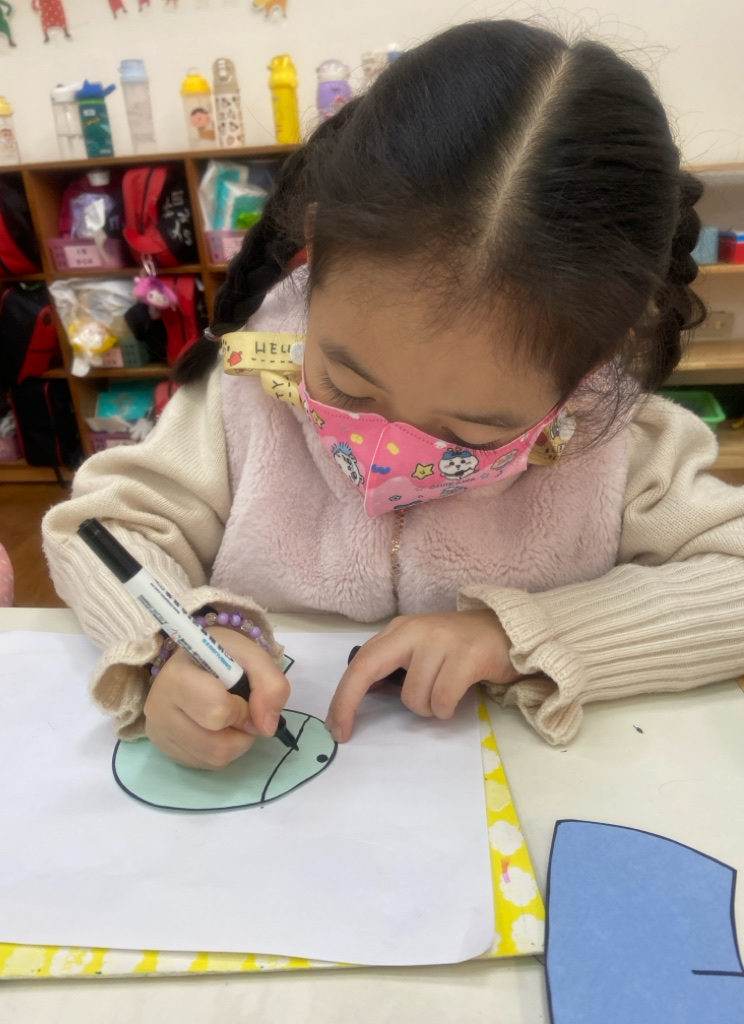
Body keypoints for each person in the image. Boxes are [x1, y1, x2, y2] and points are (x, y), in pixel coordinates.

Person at [43, 20, 744, 770]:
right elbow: (102, 531)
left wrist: (518, 636)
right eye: (348, 387)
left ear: (591, 362)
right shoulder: (248, 390)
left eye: (469, 435)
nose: (385, 457)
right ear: (317, 254)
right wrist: (167, 643)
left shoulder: (612, 442)